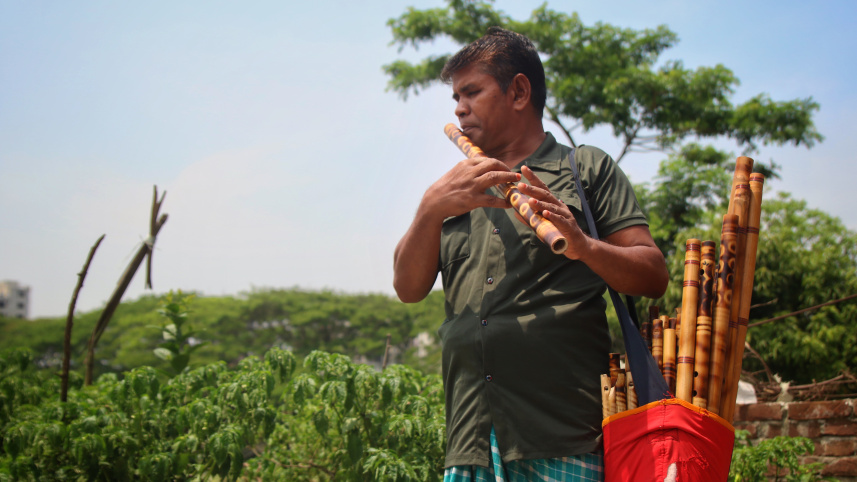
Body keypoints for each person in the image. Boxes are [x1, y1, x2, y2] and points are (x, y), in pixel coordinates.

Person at [393, 27, 668, 481]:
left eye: (472, 92)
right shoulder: (455, 188)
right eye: (455, 98)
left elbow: (653, 273)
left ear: (519, 91)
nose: (459, 108)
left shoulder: (584, 168)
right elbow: (407, 288)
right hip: (471, 439)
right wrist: (429, 208)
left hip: (562, 435)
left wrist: (583, 245)